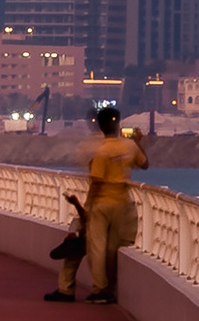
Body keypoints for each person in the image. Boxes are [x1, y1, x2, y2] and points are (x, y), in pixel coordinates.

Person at [47, 103, 147, 305]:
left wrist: (85, 206)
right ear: (118, 124)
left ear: (100, 126)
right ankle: (110, 289)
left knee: (97, 248)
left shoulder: (101, 151)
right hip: (122, 203)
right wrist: (137, 142)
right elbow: (144, 164)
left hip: (102, 203)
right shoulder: (129, 147)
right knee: (112, 248)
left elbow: (97, 181)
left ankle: (100, 290)